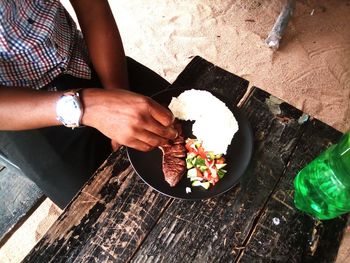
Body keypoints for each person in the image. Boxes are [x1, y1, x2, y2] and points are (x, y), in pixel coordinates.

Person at [0, 0, 177, 208]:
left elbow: (92, 7)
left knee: (183, 129)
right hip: (19, 110)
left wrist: (117, 93)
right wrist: (86, 106)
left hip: (82, 55)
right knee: (106, 209)